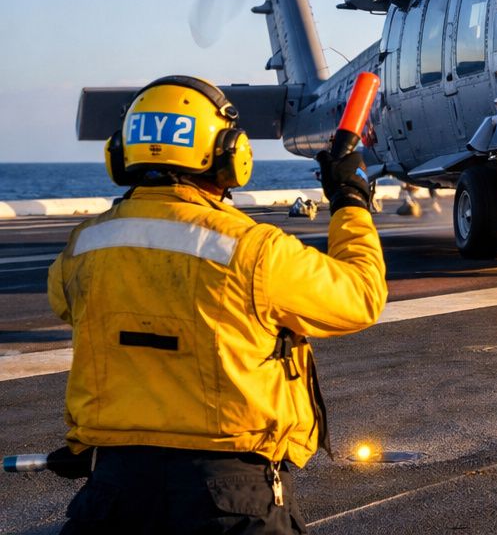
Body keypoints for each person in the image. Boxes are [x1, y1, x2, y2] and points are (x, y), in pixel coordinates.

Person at [47, 75, 388, 533]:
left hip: (113, 489)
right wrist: (350, 201)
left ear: (120, 153)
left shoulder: (83, 248)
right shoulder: (254, 250)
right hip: (229, 495)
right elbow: (361, 296)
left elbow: (66, 305)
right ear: (230, 152)